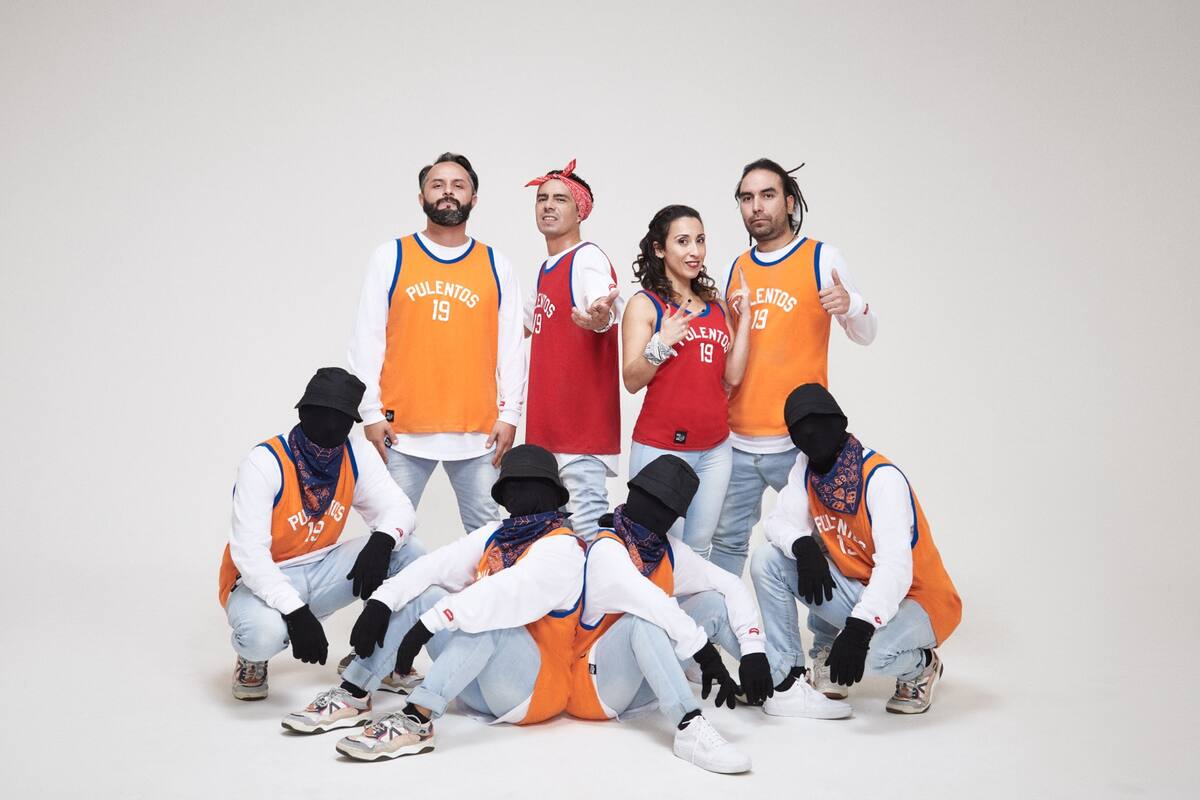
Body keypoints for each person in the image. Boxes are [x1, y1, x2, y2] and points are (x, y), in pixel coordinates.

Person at [330, 445, 586, 760]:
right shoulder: (497, 533)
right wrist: (381, 602)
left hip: (532, 692)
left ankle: (416, 720)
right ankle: (354, 692)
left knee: (488, 620)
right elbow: (435, 565)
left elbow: (502, 594)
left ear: (551, 493)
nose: (519, 493)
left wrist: (428, 625)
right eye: (512, 485)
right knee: (427, 594)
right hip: (475, 685)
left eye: (531, 484)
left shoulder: (563, 548)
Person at [710, 158, 878, 577]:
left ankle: (833, 623)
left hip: (797, 440)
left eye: (767, 195)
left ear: (788, 202)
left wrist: (852, 306)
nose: (757, 206)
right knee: (726, 544)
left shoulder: (822, 257)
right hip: (737, 438)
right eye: (747, 198)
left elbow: (866, 334)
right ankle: (721, 618)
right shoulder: (735, 267)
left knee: (824, 544)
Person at [750, 384, 962, 714]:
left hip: (919, 598)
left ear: (840, 423)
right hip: (861, 586)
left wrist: (859, 628)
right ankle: (788, 676)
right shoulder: (806, 468)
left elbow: (895, 568)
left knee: (872, 656)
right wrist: (802, 545)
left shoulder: (881, 478)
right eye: (800, 429)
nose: (811, 435)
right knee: (768, 560)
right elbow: (778, 521)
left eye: (819, 424)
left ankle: (921, 666)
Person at [348, 151, 525, 534]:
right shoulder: (390, 256)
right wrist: (371, 413)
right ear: (421, 197)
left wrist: (510, 414)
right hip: (400, 431)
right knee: (389, 536)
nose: (447, 192)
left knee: (487, 538)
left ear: (473, 199)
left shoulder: (497, 264)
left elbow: (511, 347)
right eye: (437, 184)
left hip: (478, 433)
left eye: (458, 185)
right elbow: (366, 340)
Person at [219, 367, 420, 702]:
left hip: (321, 567)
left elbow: (400, 508)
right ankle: (251, 659)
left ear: (351, 423)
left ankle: (373, 658)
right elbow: (250, 555)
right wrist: (296, 613)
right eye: (320, 413)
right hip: (258, 579)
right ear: (302, 412)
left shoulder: (355, 452)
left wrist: (383, 540)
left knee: (410, 552)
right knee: (262, 635)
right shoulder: (264, 462)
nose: (329, 425)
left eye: (340, 418)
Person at [620, 205, 751, 557]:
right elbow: (631, 379)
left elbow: (732, 376)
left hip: (715, 449)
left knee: (698, 551)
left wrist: (745, 320)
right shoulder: (645, 304)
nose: (695, 251)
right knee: (657, 550)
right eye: (682, 241)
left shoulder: (716, 306)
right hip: (661, 447)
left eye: (700, 240)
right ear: (659, 249)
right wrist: (661, 343)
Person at [523, 160, 622, 541]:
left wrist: (600, 316)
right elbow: (521, 325)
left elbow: (604, 306)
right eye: (542, 198)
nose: (548, 205)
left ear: (580, 211)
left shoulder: (586, 258)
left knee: (588, 532)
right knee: (557, 542)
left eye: (560, 199)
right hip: (549, 433)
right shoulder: (546, 268)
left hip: (579, 433)